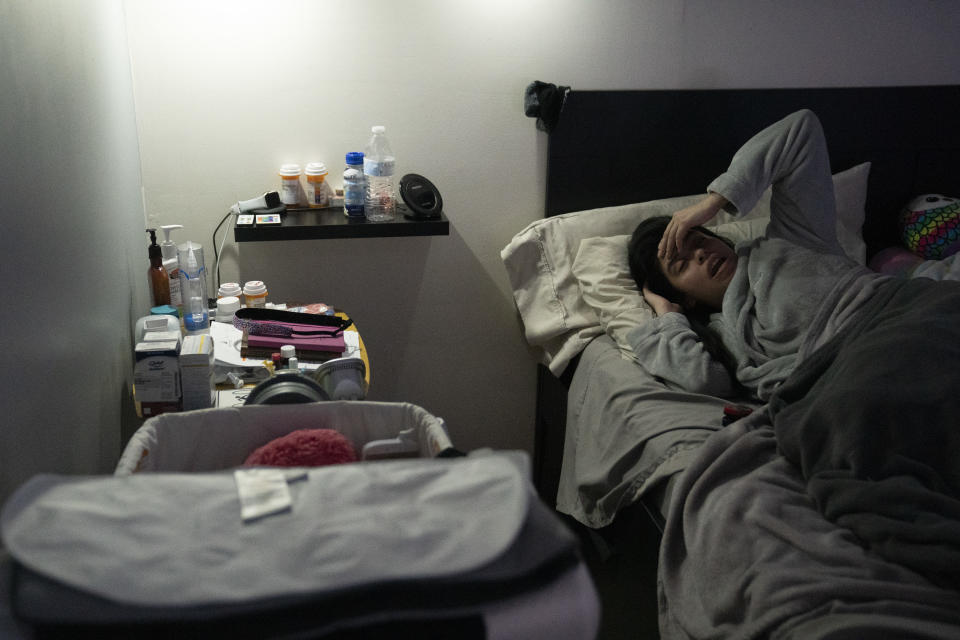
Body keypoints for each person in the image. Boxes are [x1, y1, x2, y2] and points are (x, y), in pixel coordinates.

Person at [626, 109, 958, 400]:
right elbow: (701, 378)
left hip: (905, 312)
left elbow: (801, 129)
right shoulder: (724, 335)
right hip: (858, 369)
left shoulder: (792, 238)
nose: (700, 254)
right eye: (682, 264)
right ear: (687, 299)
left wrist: (712, 203)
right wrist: (667, 313)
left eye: (698, 239)